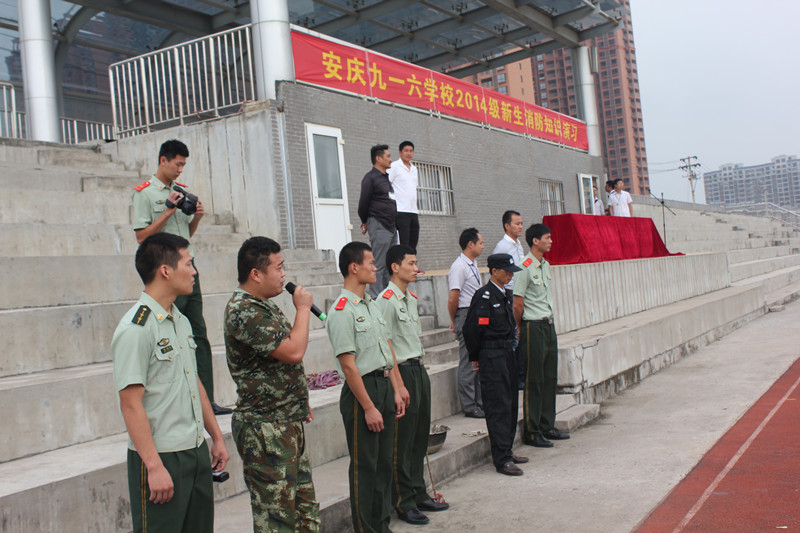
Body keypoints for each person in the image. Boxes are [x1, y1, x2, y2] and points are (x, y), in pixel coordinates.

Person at [110, 233, 230, 533]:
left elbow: (194, 381)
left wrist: (215, 436)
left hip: (195, 449)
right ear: (165, 270)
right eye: (188, 264)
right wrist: (153, 466)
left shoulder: (181, 320)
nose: (194, 272)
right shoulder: (136, 328)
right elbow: (130, 404)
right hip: (162, 456)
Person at [223, 236, 320, 532]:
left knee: (305, 513)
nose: (283, 274)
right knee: (277, 520)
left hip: (284, 420)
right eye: (278, 267)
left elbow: (280, 361)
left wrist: (297, 401)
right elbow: (293, 351)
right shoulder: (244, 310)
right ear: (256, 273)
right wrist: (302, 309)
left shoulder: (263, 305)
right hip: (265, 428)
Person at [132, 139, 230, 415]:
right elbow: (141, 236)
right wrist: (167, 212)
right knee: (169, 334)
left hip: (187, 267)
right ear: (163, 160)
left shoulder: (181, 191)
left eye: (183, 165)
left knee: (198, 333)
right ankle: (179, 401)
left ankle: (207, 401)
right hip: (165, 271)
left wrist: (196, 217)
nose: (180, 170)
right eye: (177, 164)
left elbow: (186, 234)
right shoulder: (145, 193)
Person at [326, 241, 409, 533]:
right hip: (362, 393)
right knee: (366, 466)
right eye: (370, 263)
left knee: (384, 464)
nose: (376, 268)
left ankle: (382, 525)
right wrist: (369, 407)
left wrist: (396, 389)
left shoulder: (371, 305)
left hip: (383, 385)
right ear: (354, 267)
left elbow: (387, 350)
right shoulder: (341, 311)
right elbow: (349, 366)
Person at [376, 245, 449, 526]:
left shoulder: (408, 298)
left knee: (419, 437)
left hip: (418, 369)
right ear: (395, 267)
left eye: (416, 263)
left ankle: (419, 493)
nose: (416, 268)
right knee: (402, 442)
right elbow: (388, 346)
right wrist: (398, 385)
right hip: (403, 373)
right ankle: (403, 501)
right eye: (411, 263)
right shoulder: (386, 300)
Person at [463, 254, 528, 476]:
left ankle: (508, 450)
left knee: (510, 404)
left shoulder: (505, 295)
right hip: (492, 355)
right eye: (506, 271)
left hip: (508, 353)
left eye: (511, 271)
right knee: (498, 406)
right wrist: (476, 356)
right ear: (494, 271)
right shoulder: (484, 296)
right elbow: (472, 330)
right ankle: (502, 458)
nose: (510, 275)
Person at [513, 224, 570, 448]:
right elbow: (518, 303)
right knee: (534, 379)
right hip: (533, 326)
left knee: (549, 377)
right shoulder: (524, 267)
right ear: (535, 241)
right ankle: (532, 430)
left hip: (548, 325)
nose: (551, 241)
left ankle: (547, 425)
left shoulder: (545, 265)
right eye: (547, 237)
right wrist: (521, 327)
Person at [448, 227, 485, 418]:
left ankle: (479, 402)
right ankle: (469, 405)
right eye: (480, 243)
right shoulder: (459, 266)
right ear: (470, 244)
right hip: (465, 314)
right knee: (468, 362)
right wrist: (454, 320)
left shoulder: (472, 263)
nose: (483, 246)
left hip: (476, 315)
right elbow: (453, 297)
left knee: (478, 361)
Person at [358, 144, 397, 298]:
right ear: (378, 158)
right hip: (379, 224)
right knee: (378, 264)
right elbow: (363, 203)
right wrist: (365, 221)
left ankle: (387, 296)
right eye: (388, 156)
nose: (391, 159)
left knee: (389, 264)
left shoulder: (385, 178)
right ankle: (376, 297)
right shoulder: (370, 178)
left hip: (391, 226)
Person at [492, 210, 525, 389]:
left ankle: (521, 374)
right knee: (514, 336)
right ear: (507, 225)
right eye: (517, 224)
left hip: (520, 293)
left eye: (521, 223)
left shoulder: (518, 244)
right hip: (510, 294)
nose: (520, 227)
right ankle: (516, 378)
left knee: (520, 336)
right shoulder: (502, 247)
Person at [388, 141, 420, 249]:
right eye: (406, 151)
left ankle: (411, 259)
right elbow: (386, 185)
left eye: (411, 151)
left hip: (413, 211)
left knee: (413, 243)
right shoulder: (394, 166)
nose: (409, 153)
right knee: (403, 243)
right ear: (400, 152)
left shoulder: (414, 169)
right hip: (401, 211)